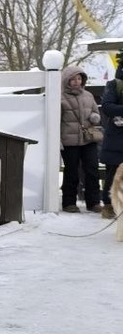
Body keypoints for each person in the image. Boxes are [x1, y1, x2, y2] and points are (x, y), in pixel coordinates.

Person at [59, 65, 102, 213]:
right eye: (73, 79)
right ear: (67, 81)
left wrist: (94, 117)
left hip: (88, 139)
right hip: (69, 141)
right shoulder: (60, 97)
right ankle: (69, 202)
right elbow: (56, 120)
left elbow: (96, 113)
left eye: (79, 78)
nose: (77, 82)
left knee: (92, 170)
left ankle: (94, 202)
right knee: (71, 171)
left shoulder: (88, 96)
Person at [99, 53, 123, 219]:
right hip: (117, 138)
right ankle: (109, 206)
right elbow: (107, 106)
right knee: (113, 172)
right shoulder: (115, 85)